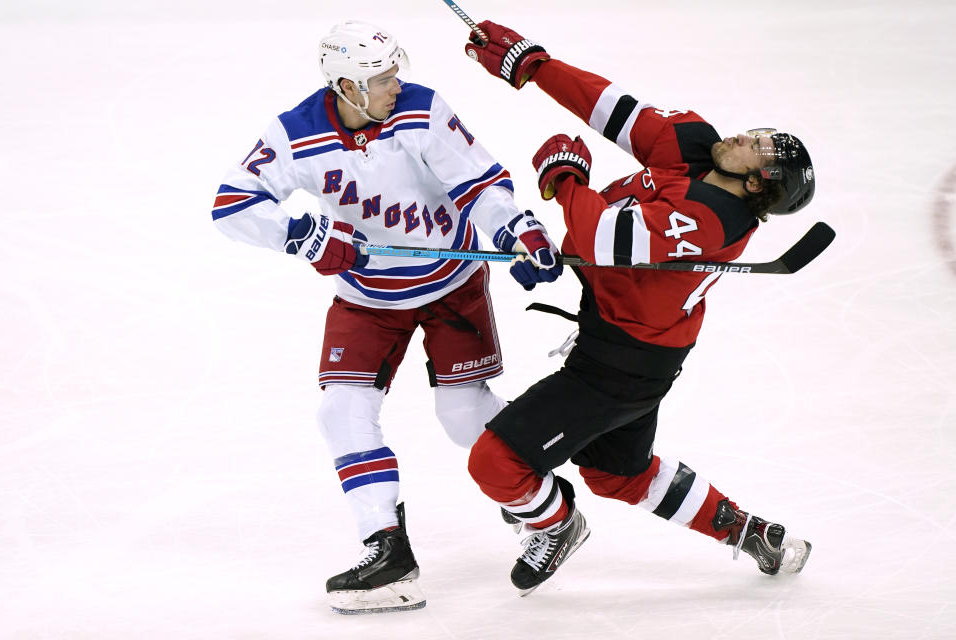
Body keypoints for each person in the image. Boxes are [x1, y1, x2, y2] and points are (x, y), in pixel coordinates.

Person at [211, 19, 562, 613]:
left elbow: (477, 182)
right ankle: (387, 551)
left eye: (395, 71)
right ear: (346, 86)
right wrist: (302, 236)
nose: (396, 83)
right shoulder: (294, 134)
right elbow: (231, 204)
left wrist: (515, 227)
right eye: (381, 78)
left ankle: (545, 509)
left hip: (451, 282)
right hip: (368, 296)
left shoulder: (422, 109)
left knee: (461, 415)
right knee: (341, 411)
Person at [461, 20, 817, 595]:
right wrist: (535, 65)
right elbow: (614, 108)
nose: (745, 136)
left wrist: (564, 180)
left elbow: (603, 237)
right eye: (757, 134)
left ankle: (557, 524)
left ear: (756, 185)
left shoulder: (708, 220)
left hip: (619, 367)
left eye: (757, 147)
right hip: (641, 348)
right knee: (616, 474)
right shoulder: (699, 146)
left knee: (495, 464)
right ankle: (749, 531)